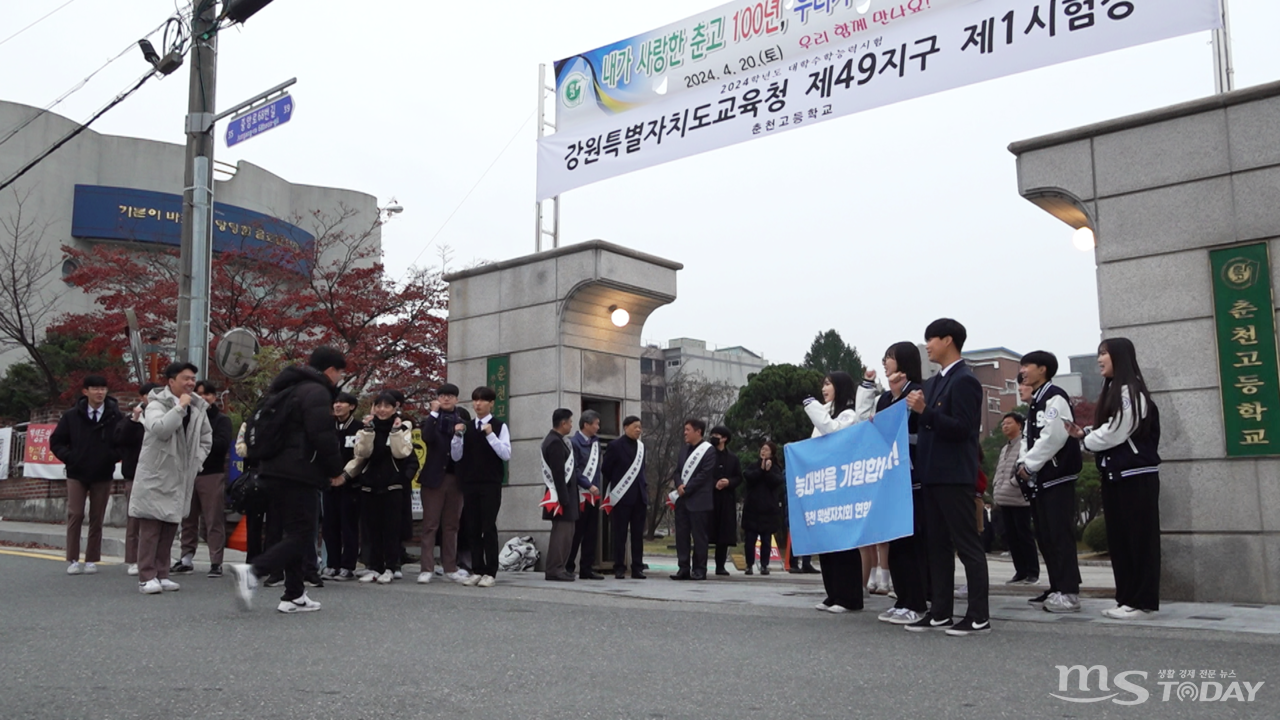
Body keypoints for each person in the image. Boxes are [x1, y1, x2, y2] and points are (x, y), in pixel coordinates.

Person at [228, 347, 347, 614]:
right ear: (330, 370)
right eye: (340, 372)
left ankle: (294, 594)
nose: (340, 378)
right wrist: (335, 469)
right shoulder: (316, 392)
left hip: (272, 470)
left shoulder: (285, 390)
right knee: (303, 533)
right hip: (300, 472)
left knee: (293, 532)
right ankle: (253, 572)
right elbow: (322, 436)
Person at [1065, 337, 1162, 621]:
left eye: (1104, 353)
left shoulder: (1130, 392)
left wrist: (1086, 439)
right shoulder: (1116, 391)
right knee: (1121, 540)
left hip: (1135, 476)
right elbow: (1109, 427)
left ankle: (1142, 601)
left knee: (1138, 539)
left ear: (1119, 357)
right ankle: (1127, 599)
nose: (1099, 359)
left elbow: (1117, 431)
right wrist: (1087, 434)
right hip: (1117, 474)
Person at [904, 319, 989, 636]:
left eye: (931, 339)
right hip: (932, 475)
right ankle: (940, 611)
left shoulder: (965, 381)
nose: (927, 346)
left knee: (967, 545)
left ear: (948, 340)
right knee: (936, 546)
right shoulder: (934, 381)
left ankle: (978, 615)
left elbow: (963, 429)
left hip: (954, 475)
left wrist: (926, 412)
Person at [130, 362, 213, 594]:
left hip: (180, 475)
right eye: (185, 378)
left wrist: (196, 462)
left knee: (169, 526)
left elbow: (207, 437)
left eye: (192, 379)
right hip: (157, 474)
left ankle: (162, 573)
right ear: (171, 382)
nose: (190, 383)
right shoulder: (157, 404)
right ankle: (146, 576)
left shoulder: (198, 408)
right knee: (150, 527)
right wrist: (179, 409)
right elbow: (160, 429)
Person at [863, 342, 930, 626]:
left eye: (889, 358)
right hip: (891, 481)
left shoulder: (918, 391)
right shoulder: (885, 399)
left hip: (914, 479)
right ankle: (902, 599)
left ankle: (917, 602)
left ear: (903, 361)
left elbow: (919, 433)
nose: (885, 363)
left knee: (912, 544)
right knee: (897, 544)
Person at [1017, 350, 1084, 614]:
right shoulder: (1037, 400)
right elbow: (1028, 437)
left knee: (1059, 535)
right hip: (1041, 480)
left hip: (1057, 477)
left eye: (1027, 366)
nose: (1023, 371)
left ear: (1042, 369)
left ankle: (1069, 592)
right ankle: (1057, 585)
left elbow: (1054, 437)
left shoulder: (1055, 397)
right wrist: (1024, 463)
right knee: (1045, 536)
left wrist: (1029, 464)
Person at [803, 371, 865, 613]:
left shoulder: (849, 414)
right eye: (823, 384)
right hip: (824, 487)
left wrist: (813, 408)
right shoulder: (825, 413)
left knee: (844, 543)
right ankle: (833, 593)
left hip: (842, 487)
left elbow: (833, 432)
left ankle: (850, 597)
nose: (824, 388)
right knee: (827, 542)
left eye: (828, 384)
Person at [50, 375, 123, 576]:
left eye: (103, 388)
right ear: (85, 391)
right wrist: (70, 457)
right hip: (76, 472)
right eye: (95, 388)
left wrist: (111, 457)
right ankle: (73, 558)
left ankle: (91, 559)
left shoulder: (115, 415)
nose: (100, 392)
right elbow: (56, 441)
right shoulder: (72, 416)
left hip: (102, 473)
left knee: (97, 517)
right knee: (75, 513)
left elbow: (124, 442)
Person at [349, 391, 418, 585]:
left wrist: (395, 432)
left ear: (394, 408)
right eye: (378, 406)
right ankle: (374, 567)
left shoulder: (403, 427)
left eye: (387, 406)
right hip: (370, 485)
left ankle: (391, 567)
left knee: (391, 529)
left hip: (393, 485)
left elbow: (401, 452)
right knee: (372, 529)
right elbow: (362, 452)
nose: (382, 410)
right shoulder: (367, 427)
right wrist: (367, 431)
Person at [171, 379, 233, 578]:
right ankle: (186, 558)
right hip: (188, 473)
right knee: (187, 518)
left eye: (207, 394)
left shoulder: (221, 420)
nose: (204, 398)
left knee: (213, 518)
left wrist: (199, 444)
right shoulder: (186, 416)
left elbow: (221, 445)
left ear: (214, 397)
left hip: (211, 473)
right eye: (199, 393)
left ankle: (216, 561)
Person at [451, 386, 511, 589]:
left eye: (483, 400)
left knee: (488, 526)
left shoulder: (499, 426)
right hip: (470, 483)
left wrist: (490, 435)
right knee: (472, 527)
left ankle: (490, 572)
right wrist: (457, 438)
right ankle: (477, 569)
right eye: (475, 400)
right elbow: (457, 456)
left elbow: (506, 454)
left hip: (491, 483)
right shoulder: (466, 426)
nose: (478, 404)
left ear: (492, 403)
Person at [418, 384, 471, 584]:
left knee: (452, 525)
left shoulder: (463, 422)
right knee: (430, 525)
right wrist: (433, 413)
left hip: (456, 479)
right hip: (433, 479)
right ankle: (426, 567)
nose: (446, 399)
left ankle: (450, 567)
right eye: (442, 396)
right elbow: (426, 437)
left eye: (450, 396)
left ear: (457, 399)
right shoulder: (431, 421)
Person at [113, 383, 159, 576]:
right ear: (142, 397)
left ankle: (156, 557)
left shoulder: (164, 416)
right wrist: (134, 419)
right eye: (150, 395)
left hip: (158, 475)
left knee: (158, 518)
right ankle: (133, 559)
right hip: (135, 475)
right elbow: (119, 439)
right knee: (135, 519)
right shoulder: (132, 419)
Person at [993, 411, 1038, 585]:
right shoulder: (1005, 447)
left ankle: (1032, 572)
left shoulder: (1024, 445)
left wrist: (1012, 484)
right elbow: (1000, 470)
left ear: (1019, 425)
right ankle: (1020, 571)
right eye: (1003, 424)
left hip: (1019, 498)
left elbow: (1025, 469)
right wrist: (997, 484)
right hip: (1004, 498)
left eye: (1009, 423)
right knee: (1011, 536)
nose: (1005, 426)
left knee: (1024, 535)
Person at [323, 392, 364, 582]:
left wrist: (345, 476)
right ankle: (332, 563)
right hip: (328, 483)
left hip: (351, 484)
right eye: (335, 402)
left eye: (342, 402)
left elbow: (361, 457)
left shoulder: (359, 429)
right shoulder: (326, 428)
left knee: (348, 525)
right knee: (330, 525)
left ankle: (348, 565)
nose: (337, 406)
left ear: (352, 406)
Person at [670, 418, 716, 581]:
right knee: (681, 536)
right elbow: (677, 471)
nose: (685, 432)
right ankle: (683, 568)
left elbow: (705, 474)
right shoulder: (684, 450)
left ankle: (699, 569)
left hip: (699, 501)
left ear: (698, 432)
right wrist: (679, 485)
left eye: (688, 430)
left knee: (699, 537)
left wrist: (687, 488)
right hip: (682, 500)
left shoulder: (709, 451)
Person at [602, 416, 647, 579]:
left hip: (639, 498)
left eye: (640, 427)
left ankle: (637, 567)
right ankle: (619, 567)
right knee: (620, 534)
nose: (638, 430)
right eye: (635, 427)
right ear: (625, 427)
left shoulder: (642, 447)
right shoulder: (615, 446)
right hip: (621, 497)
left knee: (637, 535)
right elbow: (605, 469)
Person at [567, 410, 605, 580]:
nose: (598, 427)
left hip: (593, 495)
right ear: (586, 424)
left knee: (591, 533)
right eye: (596, 423)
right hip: (580, 494)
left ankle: (587, 568)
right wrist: (587, 485)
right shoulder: (574, 443)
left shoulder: (596, 444)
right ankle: (568, 566)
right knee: (577, 533)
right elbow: (573, 468)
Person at [541, 408, 578, 582]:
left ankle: (559, 567)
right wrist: (564, 499)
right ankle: (555, 569)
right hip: (561, 497)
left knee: (566, 534)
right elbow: (558, 473)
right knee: (561, 535)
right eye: (570, 422)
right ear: (563, 423)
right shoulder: (554, 443)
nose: (571, 425)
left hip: (563, 495)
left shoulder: (557, 440)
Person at [740, 441, 784, 576]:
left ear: (772, 453)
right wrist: (761, 469)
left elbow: (776, 482)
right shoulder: (754, 466)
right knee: (750, 540)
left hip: (768, 511)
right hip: (752, 509)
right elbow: (748, 476)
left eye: (766, 449)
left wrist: (768, 471)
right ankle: (749, 565)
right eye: (762, 449)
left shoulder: (776, 468)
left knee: (766, 540)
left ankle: (765, 565)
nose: (763, 451)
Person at [708, 425, 743, 576]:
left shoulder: (733, 458)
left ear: (724, 438)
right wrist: (714, 482)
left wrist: (728, 482)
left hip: (726, 499)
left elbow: (738, 477)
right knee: (705, 532)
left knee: (723, 535)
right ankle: (699, 564)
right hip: (709, 497)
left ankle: (720, 565)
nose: (714, 437)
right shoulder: (707, 454)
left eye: (717, 435)